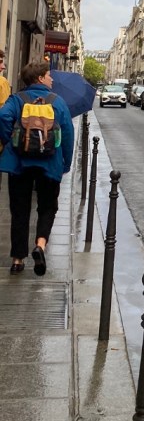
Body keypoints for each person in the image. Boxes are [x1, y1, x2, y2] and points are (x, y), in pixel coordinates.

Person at [0, 61, 74, 275]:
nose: (51, 79)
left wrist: (11, 142)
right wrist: (65, 163)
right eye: (48, 75)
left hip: (19, 163)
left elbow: (3, 117)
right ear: (40, 78)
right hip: (49, 163)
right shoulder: (57, 102)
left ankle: (17, 259)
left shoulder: (17, 99)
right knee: (48, 206)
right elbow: (67, 134)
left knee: (19, 210)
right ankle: (40, 245)